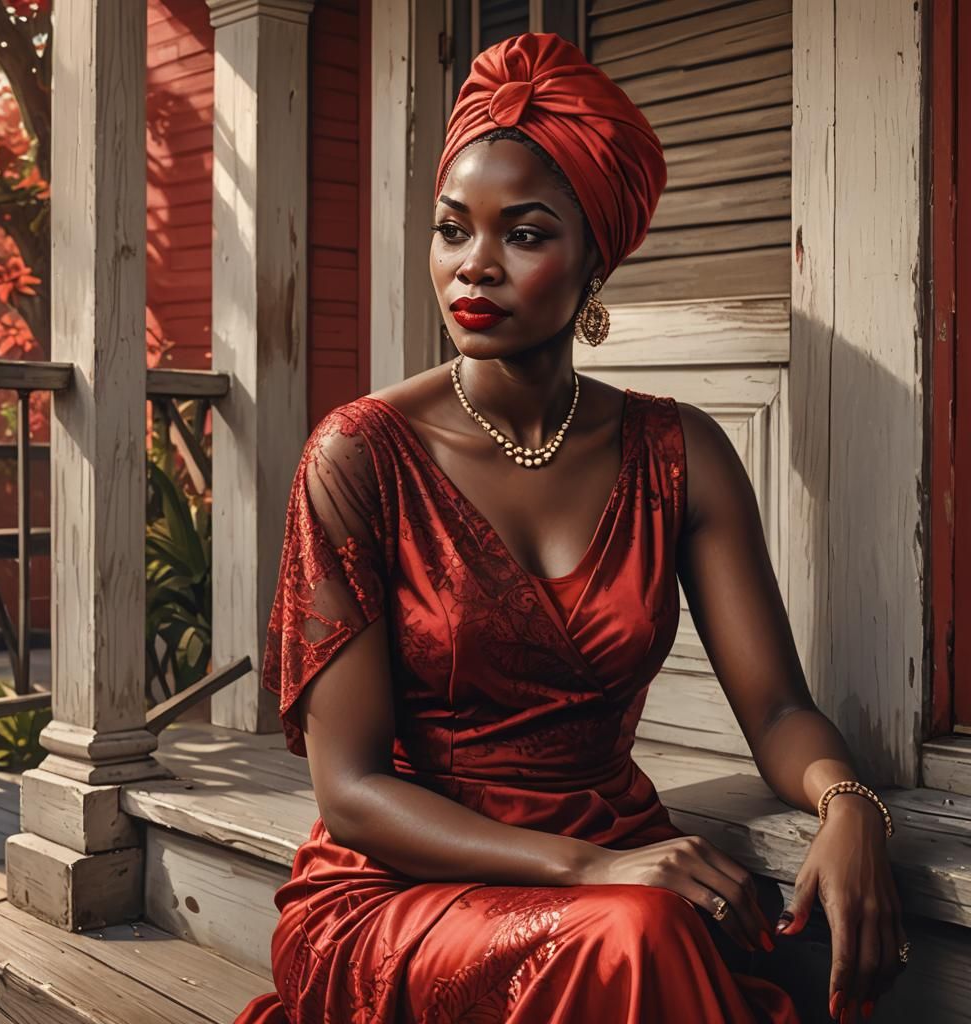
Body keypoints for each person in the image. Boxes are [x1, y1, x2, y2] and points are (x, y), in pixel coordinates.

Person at [234, 32, 907, 1024]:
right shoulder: (358, 455)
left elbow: (774, 712)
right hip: (400, 887)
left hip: (613, 858)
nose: (475, 266)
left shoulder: (681, 454)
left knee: (647, 928)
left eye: (525, 233)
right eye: (452, 228)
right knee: (639, 931)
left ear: (596, 253)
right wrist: (591, 864)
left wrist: (849, 805)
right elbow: (352, 791)